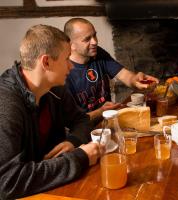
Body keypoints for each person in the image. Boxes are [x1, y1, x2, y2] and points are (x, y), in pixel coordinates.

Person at [0, 24, 102, 199]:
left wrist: (73, 140)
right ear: (46, 62)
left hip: (51, 186)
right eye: (67, 59)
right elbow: (7, 182)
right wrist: (81, 157)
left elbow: (81, 120)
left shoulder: (54, 87)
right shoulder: (6, 103)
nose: (71, 66)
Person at [63, 18, 159, 122]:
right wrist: (101, 111)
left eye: (94, 35)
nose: (94, 42)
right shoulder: (64, 72)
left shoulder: (98, 53)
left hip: (110, 121)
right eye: (87, 39)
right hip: (86, 132)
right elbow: (72, 121)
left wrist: (137, 80)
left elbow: (125, 76)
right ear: (71, 44)